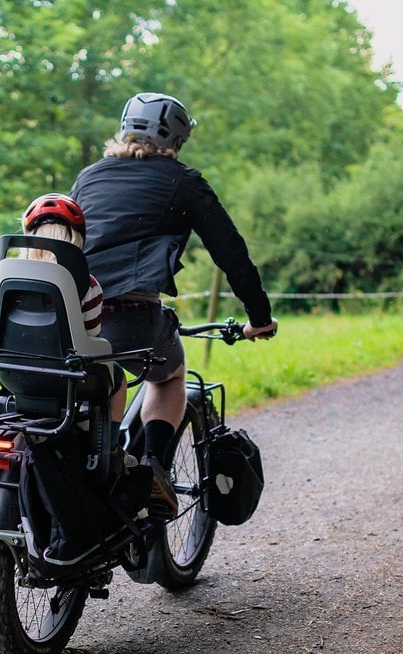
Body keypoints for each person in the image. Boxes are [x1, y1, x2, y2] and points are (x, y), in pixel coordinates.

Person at [70, 92, 278, 511]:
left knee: (98, 377)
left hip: (70, 318)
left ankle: (98, 467)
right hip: (129, 319)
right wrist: (259, 317)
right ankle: (153, 470)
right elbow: (231, 253)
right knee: (168, 375)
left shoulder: (89, 176)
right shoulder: (183, 180)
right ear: (178, 138)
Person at [20, 193, 129, 452]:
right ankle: (108, 450)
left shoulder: (12, 278)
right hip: (67, 376)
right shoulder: (87, 285)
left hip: (17, 373)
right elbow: (90, 337)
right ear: (76, 239)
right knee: (119, 378)